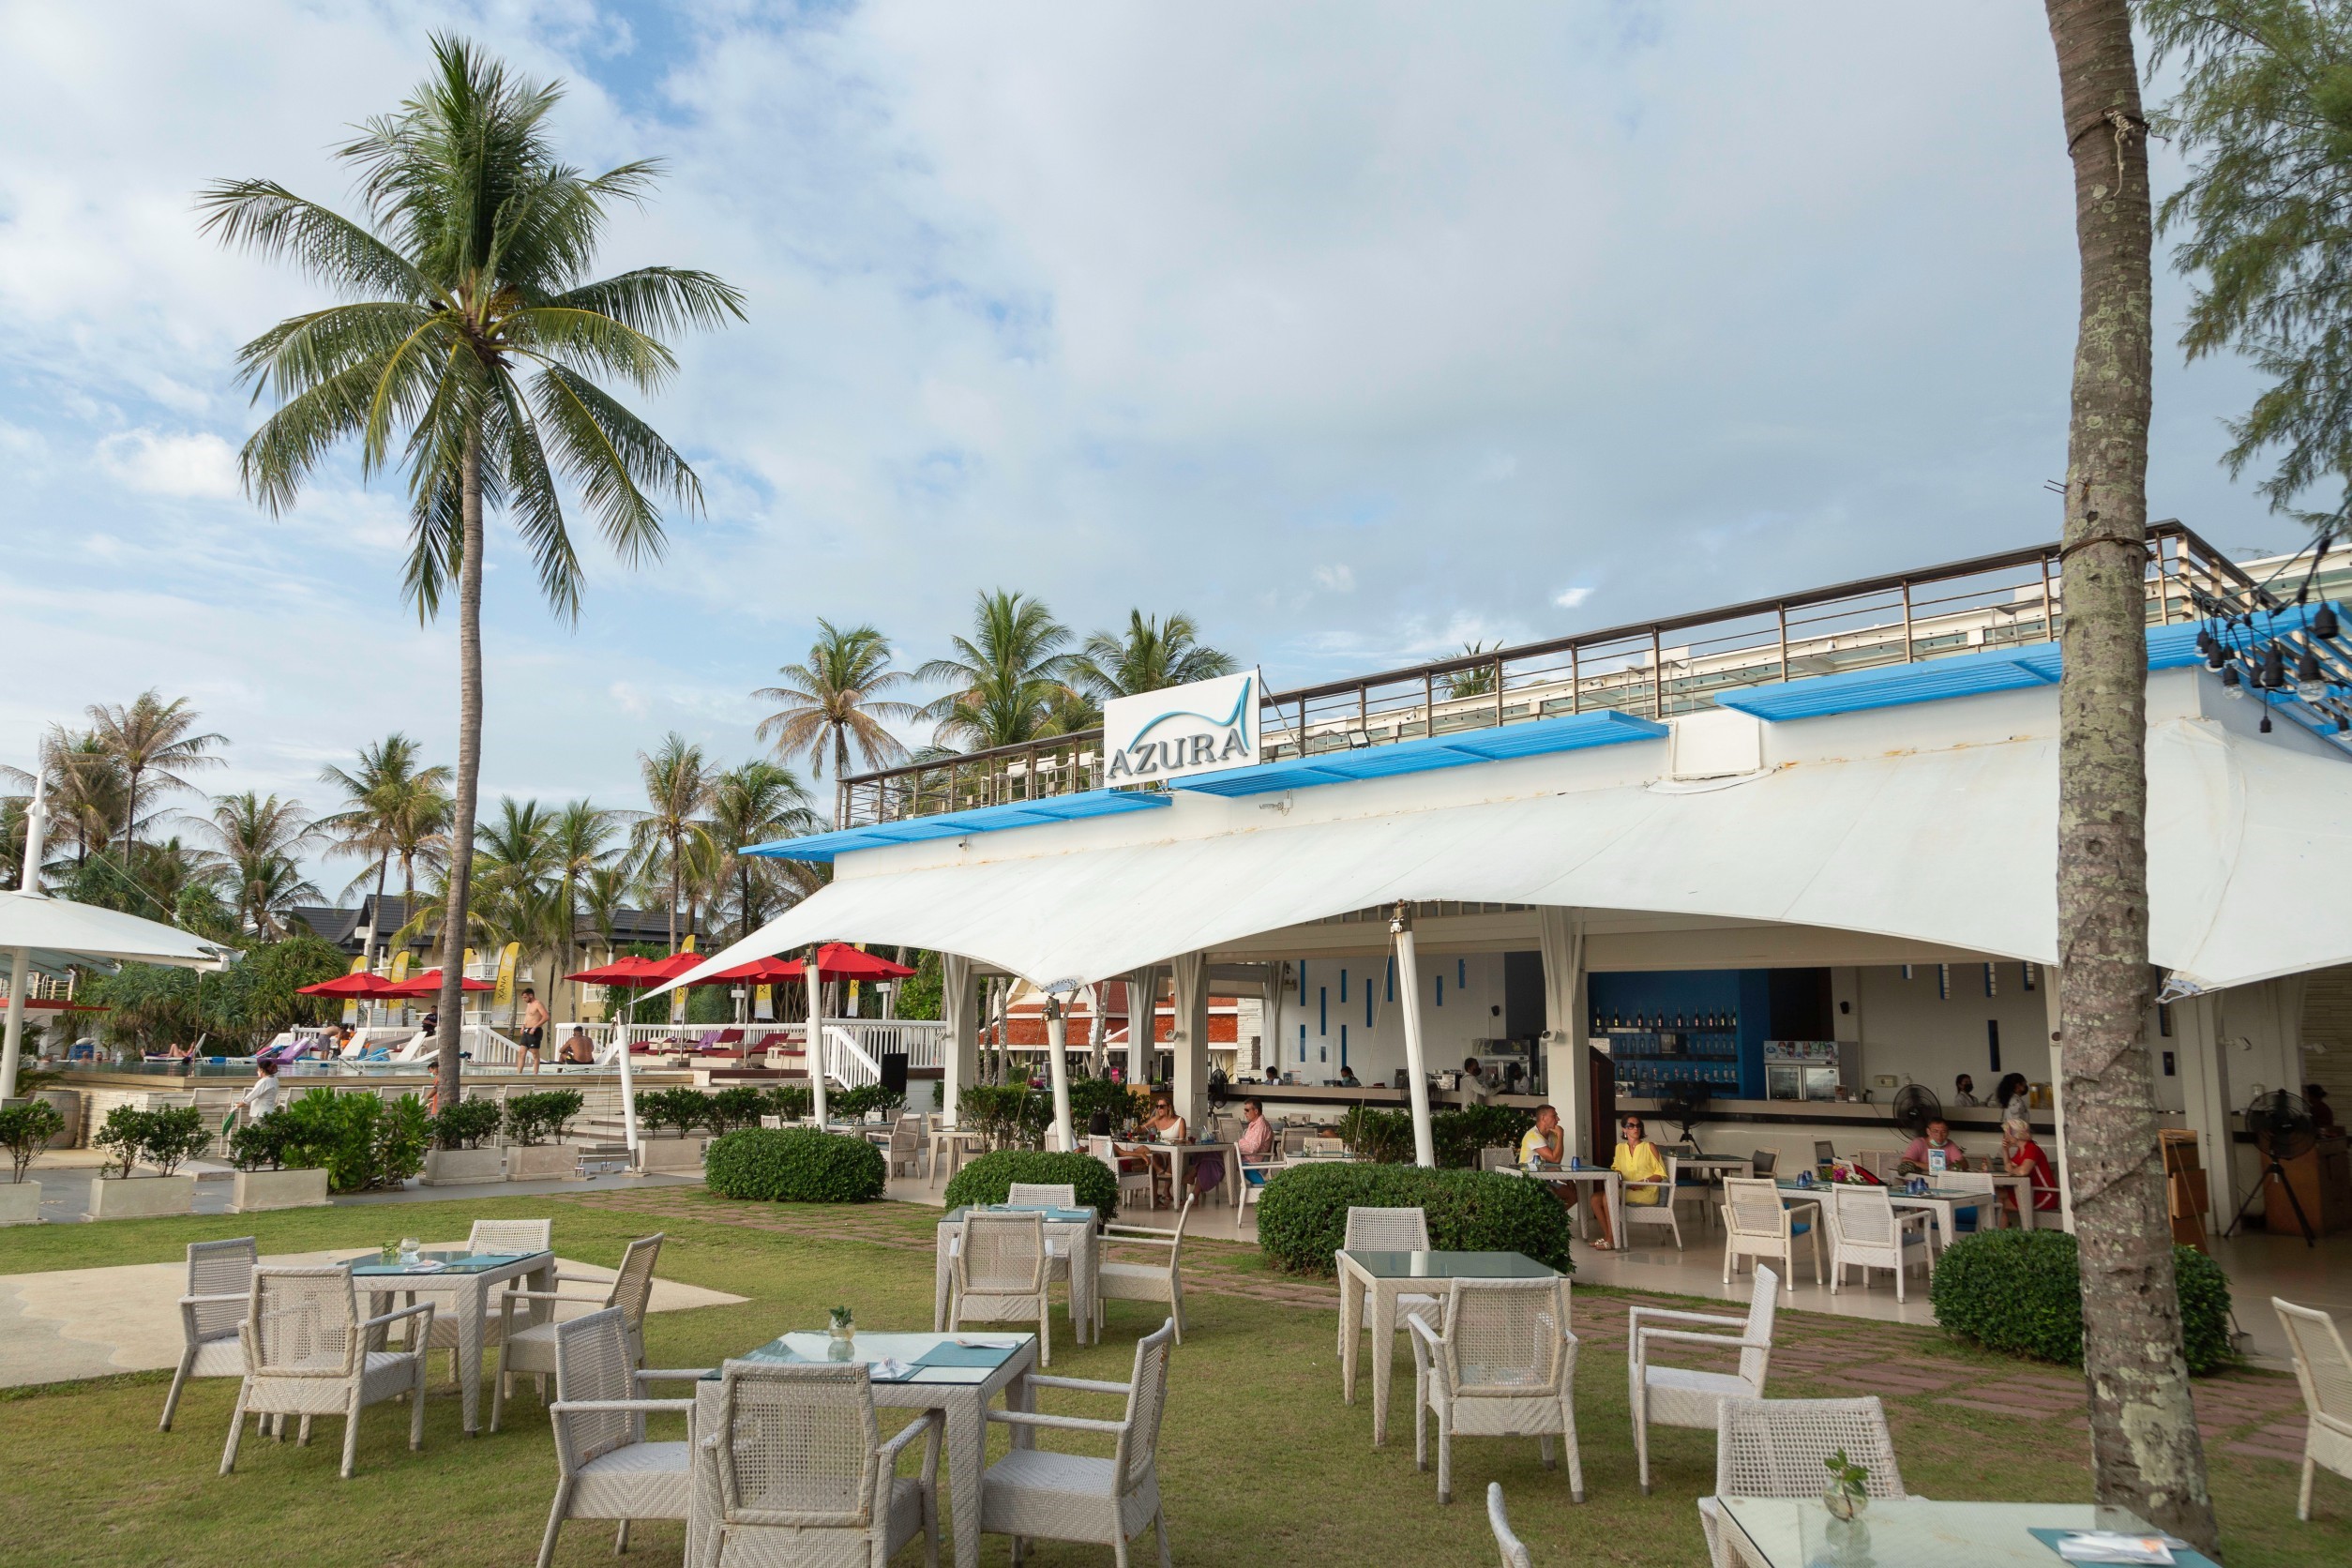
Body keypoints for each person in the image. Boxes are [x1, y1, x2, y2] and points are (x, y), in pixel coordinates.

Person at [1587, 1114, 1669, 1252]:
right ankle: (1608, 1236)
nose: (1635, 1128)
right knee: (1595, 1199)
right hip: (1626, 1188)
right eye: (1631, 1126)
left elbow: (1661, 1174)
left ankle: (1611, 1240)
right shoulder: (1620, 1148)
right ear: (1624, 1129)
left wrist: (1642, 1183)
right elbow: (1616, 1167)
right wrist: (1618, 1176)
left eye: (1638, 1125)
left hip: (1646, 1191)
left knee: (1608, 1197)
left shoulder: (1649, 1147)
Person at [1999, 1118, 2059, 1217]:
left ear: (2015, 1135)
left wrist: (2013, 1170)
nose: (2005, 1137)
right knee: (1998, 1195)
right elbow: (2008, 1167)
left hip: (2045, 1195)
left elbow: (2023, 1171)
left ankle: (2006, 1231)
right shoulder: (2021, 1150)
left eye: (2006, 1134)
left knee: (2000, 1206)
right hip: (2032, 1192)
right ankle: (1999, 1232)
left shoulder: (2032, 1148)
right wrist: (2005, 1150)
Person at [1899, 1118, 1968, 1174]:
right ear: (1928, 1131)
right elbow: (1905, 1160)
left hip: (1943, 1180)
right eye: (1935, 1131)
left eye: (1944, 1132)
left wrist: (1953, 1167)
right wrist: (1928, 1166)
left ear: (1948, 1132)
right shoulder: (1919, 1143)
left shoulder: (1950, 1144)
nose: (1939, 1135)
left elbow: (1964, 1163)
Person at [237, 1058, 283, 1125]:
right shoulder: (275, 1079)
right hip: (269, 1111)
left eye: (258, 1069)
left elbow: (253, 1095)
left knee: (252, 1134)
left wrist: (241, 1103)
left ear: (262, 1070)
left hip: (260, 1113)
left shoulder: (264, 1081)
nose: (258, 1071)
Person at [1518, 1104, 1564, 1168]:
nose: (1558, 1119)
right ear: (1543, 1118)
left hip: (1544, 1174)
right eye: (1554, 1116)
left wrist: (1559, 1135)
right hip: (1527, 1175)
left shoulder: (1553, 1135)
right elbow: (1555, 1159)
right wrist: (1560, 1135)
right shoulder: (1533, 1136)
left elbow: (1558, 1160)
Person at [517, 988, 548, 1072]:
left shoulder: (538, 1004)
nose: (524, 999)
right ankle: (518, 1074)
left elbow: (546, 1017)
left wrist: (535, 1027)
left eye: (525, 997)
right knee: (521, 1053)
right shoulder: (528, 1004)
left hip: (535, 1031)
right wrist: (523, 1025)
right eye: (523, 997)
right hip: (526, 1031)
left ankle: (535, 1075)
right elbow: (528, 1017)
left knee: (535, 1054)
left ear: (531, 995)